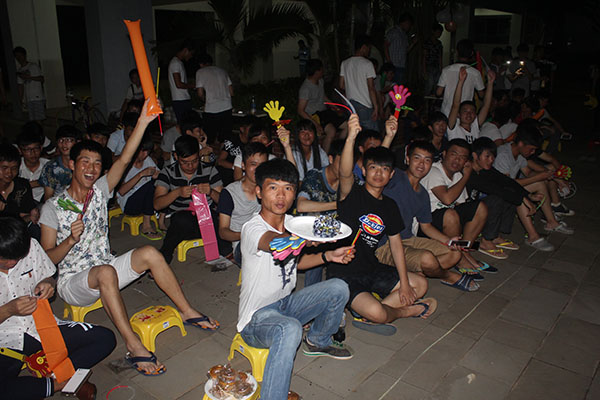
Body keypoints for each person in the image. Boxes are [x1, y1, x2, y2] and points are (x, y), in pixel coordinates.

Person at [40, 101, 218, 377]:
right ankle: (134, 346)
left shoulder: (99, 191)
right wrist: (69, 242)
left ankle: (186, 311)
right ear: (72, 164)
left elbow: (124, 159)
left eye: (97, 163)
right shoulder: (52, 208)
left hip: (106, 267)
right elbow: (46, 260)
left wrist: (144, 121)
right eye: (85, 162)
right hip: (73, 283)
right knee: (105, 272)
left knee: (149, 253)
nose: (91, 169)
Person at [238, 158, 353, 400]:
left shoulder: (293, 224)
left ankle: (318, 340)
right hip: (256, 320)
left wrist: (328, 255)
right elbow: (275, 244)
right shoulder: (252, 228)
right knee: (290, 328)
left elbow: (295, 262)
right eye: (273, 187)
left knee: (339, 288)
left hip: (286, 306)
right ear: (259, 192)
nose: (281, 196)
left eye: (288, 188)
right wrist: (304, 239)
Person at [327, 114, 435, 336]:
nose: (379, 173)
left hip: (372, 268)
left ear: (391, 174)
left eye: (384, 169)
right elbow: (345, 173)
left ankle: (372, 311)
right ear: (364, 171)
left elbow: (396, 245)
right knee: (377, 311)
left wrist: (404, 283)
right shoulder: (351, 193)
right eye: (373, 168)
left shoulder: (389, 205)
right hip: (344, 272)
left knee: (420, 285)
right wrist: (351, 137)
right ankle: (403, 311)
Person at [0, 216, 116, 400]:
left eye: (18, 258)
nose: (13, 263)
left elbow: (48, 276)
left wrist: (48, 284)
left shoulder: (31, 246)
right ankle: (59, 383)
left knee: (105, 339)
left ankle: (52, 376)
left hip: (41, 326)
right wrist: (8, 310)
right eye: (6, 260)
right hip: (6, 340)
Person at [375, 140, 478, 292]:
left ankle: (417, 273)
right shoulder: (394, 177)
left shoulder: (422, 194)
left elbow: (426, 226)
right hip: (385, 245)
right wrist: (390, 136)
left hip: (408, 239)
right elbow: (378, 162)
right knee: (427, 259)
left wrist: (449, 241)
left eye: (427, 160)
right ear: (408, 159)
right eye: (417, 158)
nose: (421, 164)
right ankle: (447, 276)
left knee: (455, 254)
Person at [420, 139, 505, 264]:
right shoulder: (433, 171)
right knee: (450, 214)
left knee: (480, 207)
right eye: (454, 154)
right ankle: (460, 259)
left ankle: (464, 251)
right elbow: (447, 199)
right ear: (444, 154)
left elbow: (461, 205)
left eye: (462, 157)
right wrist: (466, 176)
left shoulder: (458, 176)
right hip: (427, 223)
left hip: (448, 219)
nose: (457, 160)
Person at [493, 124, 573, 250]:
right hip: (497, 192)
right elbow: (506, 183)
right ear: (521, 144)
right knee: (519, 193)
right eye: (531, 149)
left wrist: (550, 177)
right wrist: (538, 177)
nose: (533, 152)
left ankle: (551, 222)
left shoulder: (519, 154)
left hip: (508, 187)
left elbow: (528, 172)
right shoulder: (503, 154)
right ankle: (533, 236)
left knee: (540, 183)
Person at [154, 135, 227, 264]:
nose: (190, 166)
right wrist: (177, 193)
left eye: (194, 161)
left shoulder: (209, 170)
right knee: (182, 220)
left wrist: (211, 192)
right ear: (176, 156)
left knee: (218, 220)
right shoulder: (168, 172)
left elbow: (225, 203)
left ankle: (227, 253)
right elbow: (157, 205)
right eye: (185, 162)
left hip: (208, 221)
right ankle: (164, 257)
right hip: (183, 224)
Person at [467, 137, 535, 254]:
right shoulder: (468, 172)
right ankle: (486, 240)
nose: (491, 160)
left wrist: (527, 195)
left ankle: (495, 236)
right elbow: (494, 190)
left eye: (493, 156)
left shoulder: (485, 169)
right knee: (497, 198)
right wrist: (522, 199)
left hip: (476, 208)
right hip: (464, 211)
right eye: (487, 156)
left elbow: (506, 181)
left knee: (509, 191)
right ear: (475, 156)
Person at [217, 142, 267, 265]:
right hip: (242, 244)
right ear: (243, 166)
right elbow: (223, 232)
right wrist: (247, 235)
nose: (258, 169)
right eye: (253, 164)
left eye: (262, 165)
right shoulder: (230, 193)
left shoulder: (269, 189)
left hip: (268, 237)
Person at [116, 134, 161, 240]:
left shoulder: (147, 160)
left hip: (145, 200)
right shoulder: (125, 164)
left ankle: (162, 221)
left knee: (160, 183)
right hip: (129, 204)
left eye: (147, 152)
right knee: (149, 186)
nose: (145, 155)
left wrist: (156, 175)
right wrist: (140, 174)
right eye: (143, 151)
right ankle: (146, 226)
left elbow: (159, 174)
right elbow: (121, 191)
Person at [297, 58, 348, 151]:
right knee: (331, 132)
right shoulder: (306, 88)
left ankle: (338, 150)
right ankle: (325, 156)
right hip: (314, 115)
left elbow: (323, 96)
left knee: (346, 126)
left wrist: (335, 107)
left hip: (324, 112)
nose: (323, 71)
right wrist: (315, 124)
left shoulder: (320, 81)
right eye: (321, 69)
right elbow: (300, 110)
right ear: (317, 71)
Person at [0, 146, 40, 240]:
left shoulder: (22, 186)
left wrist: (30, 216)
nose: (9, 173)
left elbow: (27, 216)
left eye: (14, 168)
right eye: (4, 168)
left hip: (15, 232)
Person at [339, 35, 379, 130]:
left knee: (356, 132)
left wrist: (352, 87)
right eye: (369, 48)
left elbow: (341, 85)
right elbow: (371, 88)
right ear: (364, 47)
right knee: (371, 133)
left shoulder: (345, 63)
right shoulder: (367, 64)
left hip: (351, 105)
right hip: (364, 104)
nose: (369, 51)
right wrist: (376, 107)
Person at [447, 66, 496, 144]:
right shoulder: (453, 127)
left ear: (475, 115)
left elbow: (486, 106)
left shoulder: (474, 127)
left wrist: (490, 83)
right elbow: (455, 105)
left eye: (472, 111)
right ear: (458, 115)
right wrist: (461, 81)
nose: (469, 114)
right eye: (465, 111)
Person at [436, 39, 485, 117]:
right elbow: (481, 95)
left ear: (457, 52)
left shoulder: (446, 70)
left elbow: (438, 92)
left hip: (447, 112)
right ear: (472, 53)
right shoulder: (475, 73)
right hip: (465, 115)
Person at [195, 53, 234, 144]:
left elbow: (200, 94)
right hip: (227, 107)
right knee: (225, 138)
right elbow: (231, 92)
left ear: (201, 64)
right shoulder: (222, 71)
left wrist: (206, 100)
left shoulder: (200, 72)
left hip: (211, 109)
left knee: (209, 137)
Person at [39, 125, 79, 202]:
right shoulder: (50, 167)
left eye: (68, 140)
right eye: (61, 140)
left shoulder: (83, 165)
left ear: (77, 142)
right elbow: (48, 198)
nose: (64, 143)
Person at [17, 125, 49, 203]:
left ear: (41, 148)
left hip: (42, 202)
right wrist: (37, 183)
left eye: (36, 148)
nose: (33, 153)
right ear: (20, 150)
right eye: (28, 149)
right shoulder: (16, 166)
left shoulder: (49, 165)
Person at [13, 47, 46, 122]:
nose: (18, 58)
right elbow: (20, 86)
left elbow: (41, 79)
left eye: (20, 55)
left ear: (24, 55)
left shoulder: (33, 66)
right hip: (28, 99)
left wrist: (29, 77)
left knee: (39, 120)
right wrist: (20, 100)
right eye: (16, 56)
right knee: (32, 121)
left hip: (37, 98)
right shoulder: (20, 70)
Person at [384, 13, 416, 85]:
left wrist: (413, 44)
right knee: (391, 86)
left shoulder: (404, 35)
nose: (409, 27)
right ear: (405, 22)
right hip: (393, 65)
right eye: (409, 24)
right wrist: (389, 61)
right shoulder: (393, 32)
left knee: (399, 87)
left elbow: (406, 51)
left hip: (401, 65)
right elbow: (385, 45)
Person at [168, 39, 195, 124]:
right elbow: (178, 84)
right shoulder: (175, 63)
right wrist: (193, 86)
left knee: (188, 124)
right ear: (186, 50)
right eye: (191, 53)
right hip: (180, 100)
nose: (191, 56)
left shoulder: (178, 63)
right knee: (185, 124)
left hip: (182, 99)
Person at [423, 23, 444, 95]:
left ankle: (433, 100)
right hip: (428, 66)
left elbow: (440, 57)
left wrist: (441, 69)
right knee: (429, 84)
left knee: (436, 84)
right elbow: (424, 57)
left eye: (440, 33)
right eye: (438, 32)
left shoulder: (439, 43)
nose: (439, 34)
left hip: (436, 66)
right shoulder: (427, 42)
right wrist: (424, 70)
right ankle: (426, 99)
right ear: (433, 31)